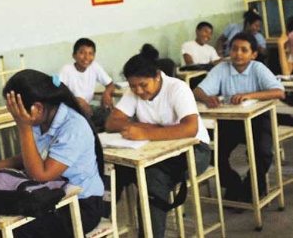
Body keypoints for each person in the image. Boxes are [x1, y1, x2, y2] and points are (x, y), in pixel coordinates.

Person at [0, 69, 106, 237]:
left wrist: (24, 128)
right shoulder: (42, 119)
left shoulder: (74, 127)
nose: (15, 117)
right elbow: (37, 156)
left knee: (16, 232)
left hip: (81, 205)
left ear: (37, 108)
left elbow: (41, 174)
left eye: (16, 112)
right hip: (52, 196)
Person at [106, 44, 211, 238]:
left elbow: (190, 128)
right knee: (113, 169)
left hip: (196, 151)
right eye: (133, 86)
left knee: (151, 178)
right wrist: (149, 129)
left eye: (143, 85)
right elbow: (112, 122)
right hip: (153, 151)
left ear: (157, 75)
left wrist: (145, 131)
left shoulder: (177, 88)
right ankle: (99, 221)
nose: (138, 91)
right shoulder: (135, 91)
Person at [194, 32, 284, 202]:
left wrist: (249, 95)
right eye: (234, 49)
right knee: (215, 155)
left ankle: (253, 186)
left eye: (244, 50)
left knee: (263, 152)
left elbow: (278, 91)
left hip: (258, 120)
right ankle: (233, 184)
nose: (238, 54)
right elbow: (198, 90)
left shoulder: (258, 68)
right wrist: (207, 98)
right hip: (231, 121)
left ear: (254, 54)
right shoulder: (222, 68)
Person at [59, 37, 114, 131]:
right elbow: (58, 92)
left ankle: (92, 129)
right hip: (71, 112)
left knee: (111, 115)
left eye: (90, 53)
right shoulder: (66, 70)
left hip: (87, 110)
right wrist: (77, 100)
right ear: (74, 55)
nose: (86, 57)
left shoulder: (95, 67)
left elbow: (110, 84)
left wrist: (107, 93)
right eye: (82, 53)